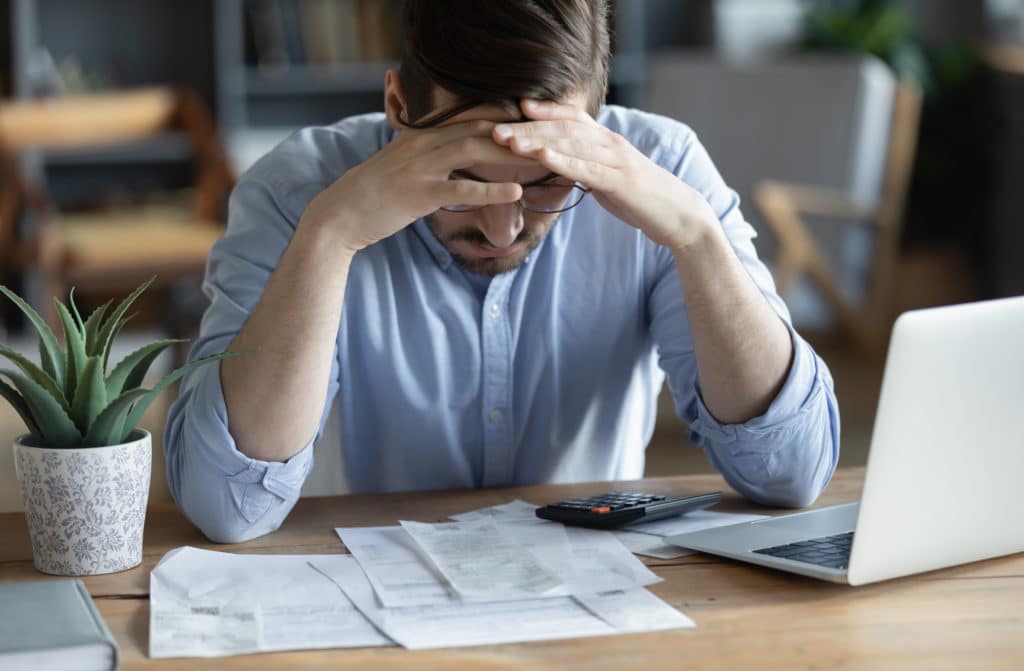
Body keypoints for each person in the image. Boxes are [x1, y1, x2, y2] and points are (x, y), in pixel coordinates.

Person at [165, 0, 840, 543]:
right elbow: (227, 505)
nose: (502, 229)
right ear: (399, 108)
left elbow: (791, 471)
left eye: (548, 183)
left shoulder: (665, 170)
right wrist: (332, 234)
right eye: (462, 179)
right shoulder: (297, 191)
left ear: (597, 118)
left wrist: (696, 237)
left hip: (596, 607)